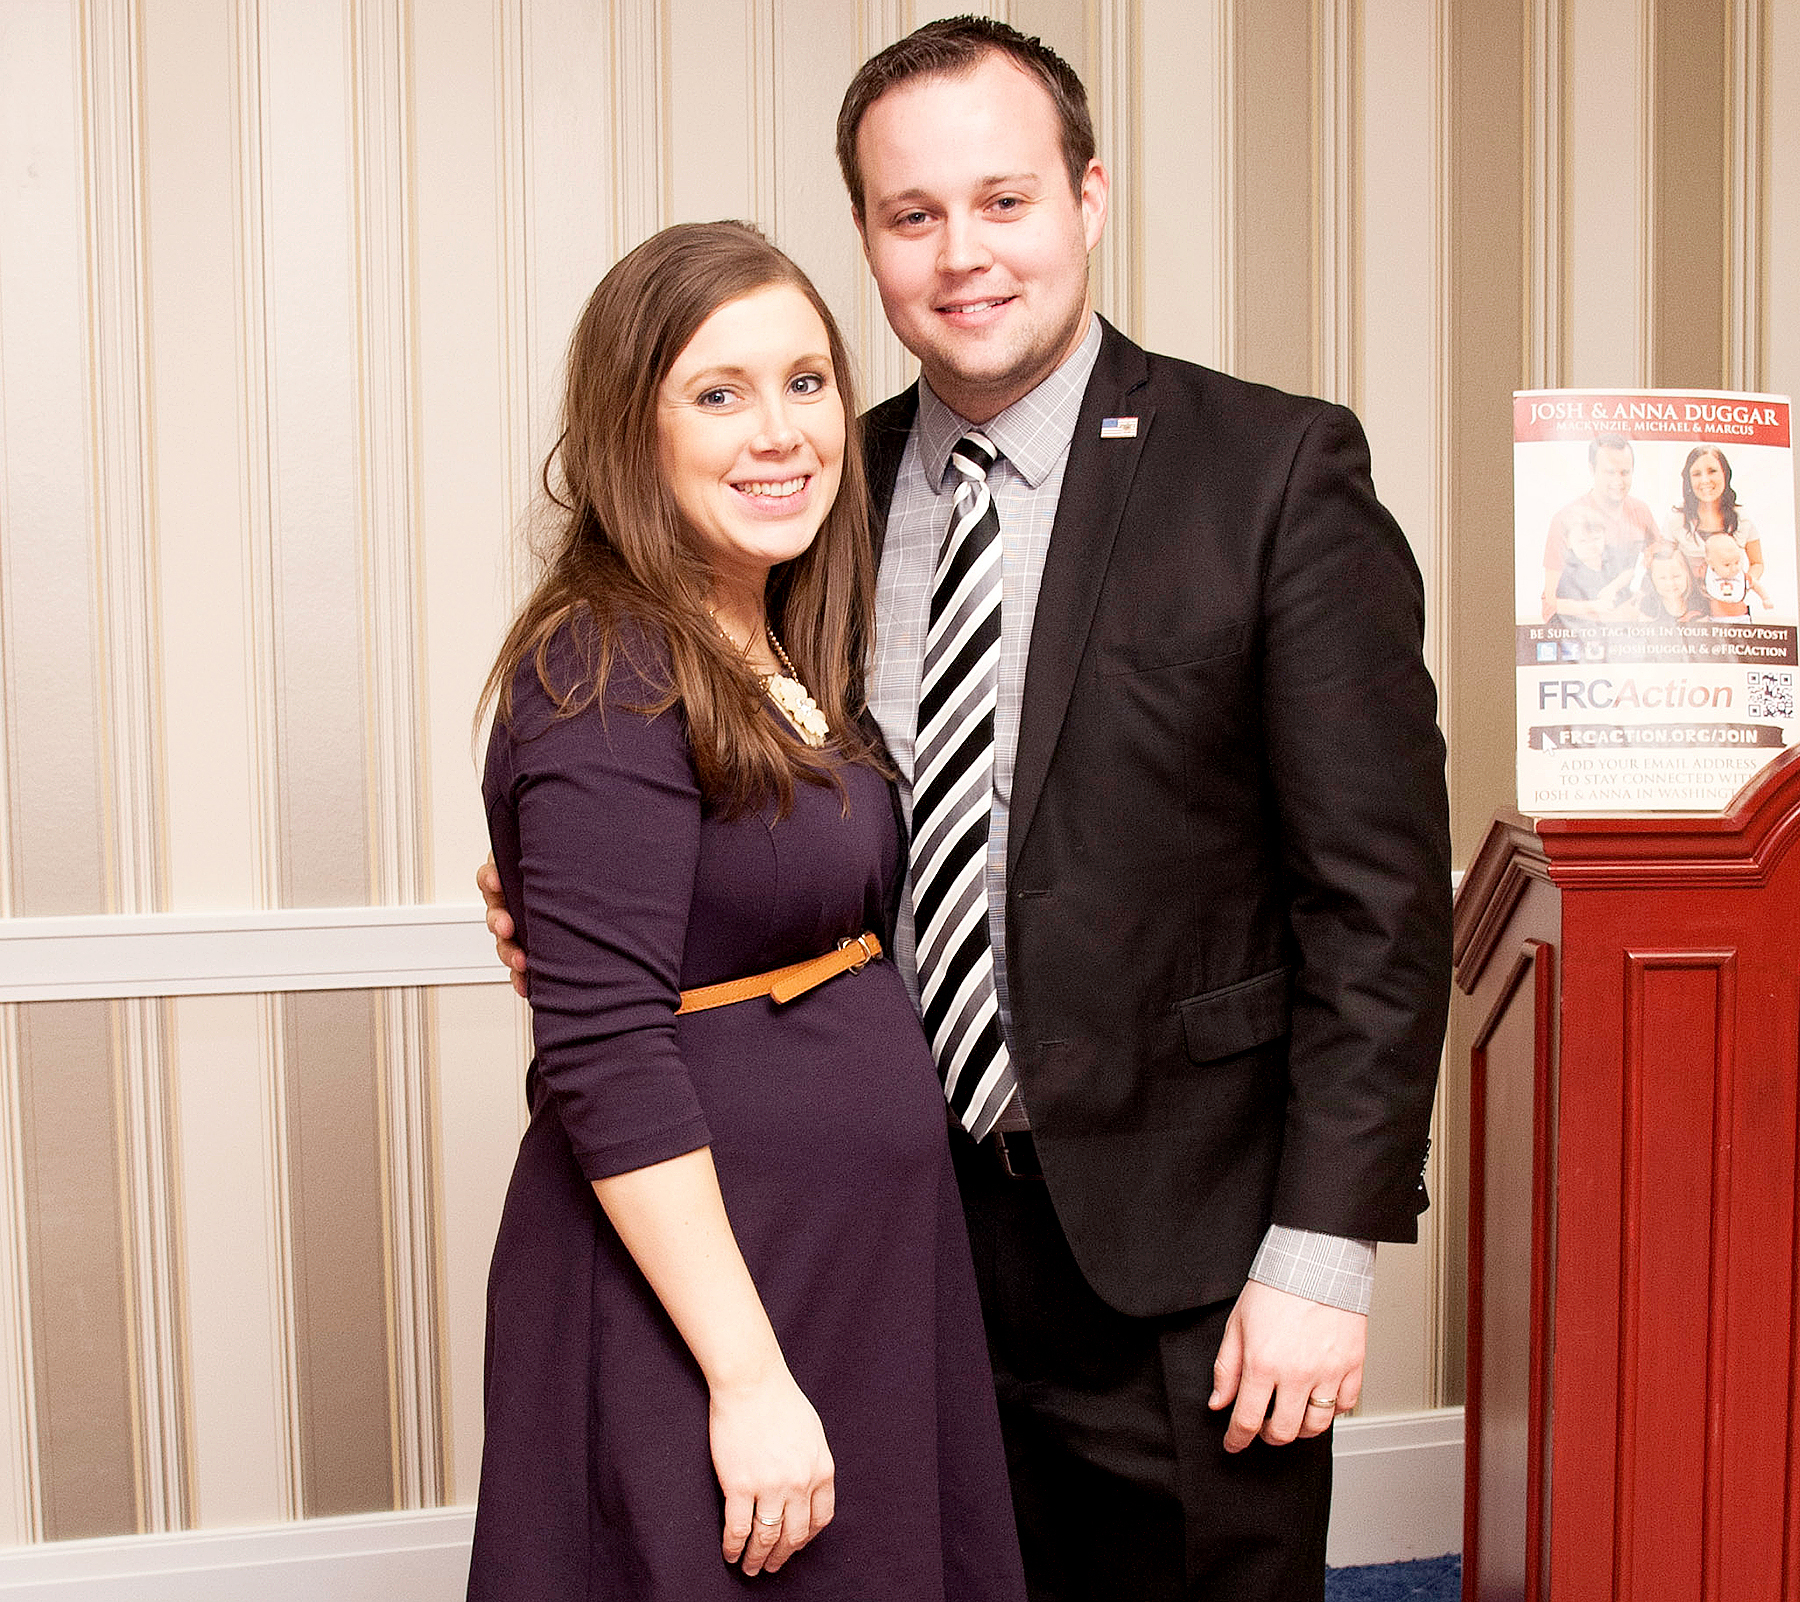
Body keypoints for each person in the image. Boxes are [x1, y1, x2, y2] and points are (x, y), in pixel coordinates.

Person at [485, 20, 1450, 1601]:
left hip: (1183, 1256)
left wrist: (1323, 1249)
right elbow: (731, 802)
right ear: (866, 236)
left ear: (1089, 196)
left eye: (1003, 201)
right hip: (888, 1238)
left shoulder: (1269, 471)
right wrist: (575, 895)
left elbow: (1380, 903)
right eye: (911, 215)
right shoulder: (813, 494)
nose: (963, 256)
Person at [466, 220, 1026, 1602]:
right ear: (629, 433)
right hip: (715, 1292)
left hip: (844, 1257)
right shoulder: (606, 664)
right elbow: (603, 1051)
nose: (780, 432)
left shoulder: (770, 639)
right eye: (717, 393)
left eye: (807, 381)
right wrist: (750, 1375)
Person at [1539, 433, 1660, 622]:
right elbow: (1549, 601)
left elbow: (1659, 565)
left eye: (1625, 472)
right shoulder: (1564, 520)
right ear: (1591, 469)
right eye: (1610, 472)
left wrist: (1640, 600)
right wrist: (1605, 614)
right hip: (1582, 626)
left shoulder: (1641, 511)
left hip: (1628, 622)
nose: (1618, 481)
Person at [1665, 444, 1765, 592]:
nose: (1705, 480)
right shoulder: (1676, 519)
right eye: (1697, 474)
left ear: (1724, 473)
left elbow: (1757, 563)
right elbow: (1662, 563)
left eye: (1712, 471)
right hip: (1689, 606)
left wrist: (1742, 586)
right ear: (1689, 480)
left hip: (1729, 607)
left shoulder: (1742, 517)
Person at [1550, 507, 1639, 626]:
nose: (1591, 546)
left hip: (1618, 617)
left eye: (1596, 539)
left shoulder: (1612, 553)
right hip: (1581, 624)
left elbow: (1629, 571)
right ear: (1568, 542)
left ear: (1604, 536)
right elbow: (1557, 605)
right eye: (1583, 541)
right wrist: (1593, 606)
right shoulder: (1566, 569)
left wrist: (1613, 587)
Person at [1637, 539, 1707, 623]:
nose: (1670, 583)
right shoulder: (1648, 606)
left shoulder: (1700, 603)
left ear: (1688, 575)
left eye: (1676, 576)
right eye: (1662, 578)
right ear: (1652, 580)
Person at [1701, 530, 1765, 617]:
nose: (1734, 568)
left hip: (1740, 617)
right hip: (1714, 618)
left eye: (1737, 562)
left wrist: (1765, 599)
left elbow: (1755, 585)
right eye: (1727, 565)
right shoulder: (1706, 575)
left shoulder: (1742, 577)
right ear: (1710, 562)